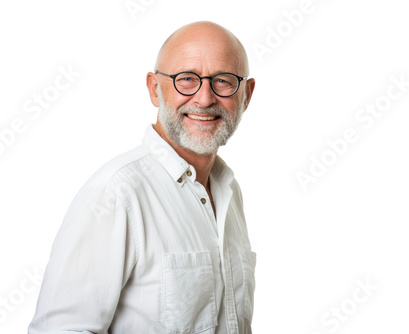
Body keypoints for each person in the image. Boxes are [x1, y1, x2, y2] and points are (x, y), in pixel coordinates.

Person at [28, 21, 257, 334]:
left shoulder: (230, 193)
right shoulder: (117, 193)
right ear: (154, 88)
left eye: (224, 81)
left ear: (246, 95)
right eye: (186, 79)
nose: (204, 98)